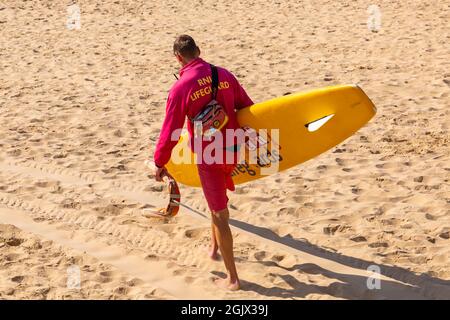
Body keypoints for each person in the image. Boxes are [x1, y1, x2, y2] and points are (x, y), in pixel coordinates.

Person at [152, 35, 254, 291]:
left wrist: (159, 162)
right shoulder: (225, 75)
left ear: (178, 57)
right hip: (233, 148)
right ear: (198, 50)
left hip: (209, 157)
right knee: (215, 201)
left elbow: (170, 131)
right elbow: (247, 107)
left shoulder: (180, 88)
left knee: (220, 214)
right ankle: (214, 248)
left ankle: (233, 279)